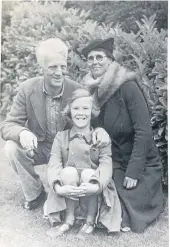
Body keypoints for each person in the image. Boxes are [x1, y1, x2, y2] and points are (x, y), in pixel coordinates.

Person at [1, 38, 109, 211]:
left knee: (66, 193)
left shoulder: (77, 90)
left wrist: (101, 129)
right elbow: (8, 124)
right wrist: (22, 132)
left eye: (63, 67)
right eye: (53, 67)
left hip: (66, 150)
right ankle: (35, 194)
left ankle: (72, 193)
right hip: (40, 147)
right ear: (41, 68)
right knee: (11, 148)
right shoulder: (27, 89)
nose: (59, 72)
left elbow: (95, 121)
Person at [80, 37, 164, 233]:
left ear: (110, 60)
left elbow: (144, 131)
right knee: (104, 190)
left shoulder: (128, 86)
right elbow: (91, 125)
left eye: (99, 57)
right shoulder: (93, 91)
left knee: (128, 203)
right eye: (90, 58)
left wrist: (134, 171)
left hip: (142, 163)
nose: (95, 62)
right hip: (116, 160)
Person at [44, 89, 122, 238]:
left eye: (85, 108)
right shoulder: (61, 137)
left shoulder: (101, 138)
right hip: (69, 187)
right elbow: (54, 164)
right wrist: (58, 188)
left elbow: (106, 166)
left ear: (92, 112)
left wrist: (96, 185)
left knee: (88, 173)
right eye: (76, 108)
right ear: (69, 111)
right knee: (68, 172)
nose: (81, 113)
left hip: (92, 189)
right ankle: (69, 218)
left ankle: (90, 220)